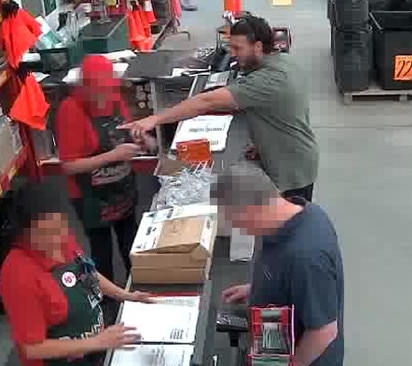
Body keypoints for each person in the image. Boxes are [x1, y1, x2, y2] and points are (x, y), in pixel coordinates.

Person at [120, 15, 319, 202]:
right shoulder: (282, 61)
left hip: (291, 172)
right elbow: (277, 112)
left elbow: (206, 102)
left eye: (237, 48)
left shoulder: (266, 80)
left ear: (257, 46)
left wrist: (153, 119)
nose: (232, 54)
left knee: (287, 228)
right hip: (294, 157)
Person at [0, 182, 151, 366]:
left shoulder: (62, 237)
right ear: (25, 233)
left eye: (60, 227)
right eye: (46, 233)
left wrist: (126, 295)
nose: (58, 239)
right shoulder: (18, 275)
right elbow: (32, 348)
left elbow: (88, 273)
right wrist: (97, 342)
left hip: (92, 351)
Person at [215, 163, 344, 366]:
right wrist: (258, 287)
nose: (241, 229)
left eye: (238, 222)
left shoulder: (306, 256)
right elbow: (287, 272)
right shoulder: (293, 215)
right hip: (273, 333)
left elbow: (324, 331)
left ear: (253, 209)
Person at [54, 55, 157, 282]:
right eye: (99, 91)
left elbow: (124, 130)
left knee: (131, 243)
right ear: (86, 88)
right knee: (102, 251)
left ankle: (138, 287)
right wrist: (114, 155)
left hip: (123, 189)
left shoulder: (114, 98)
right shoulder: (69, 111)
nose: (105, 96)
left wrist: (143, 139)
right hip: (91, 198)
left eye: (109, 88)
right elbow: (69, 166)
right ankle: (107, 300)